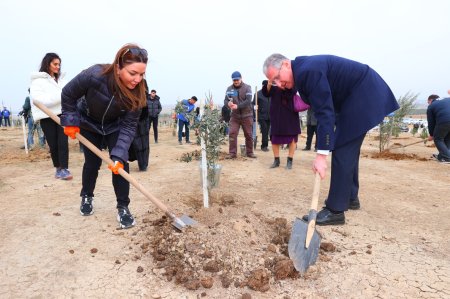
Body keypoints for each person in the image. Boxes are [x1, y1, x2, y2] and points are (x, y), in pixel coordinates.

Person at [263, 53, 399, 225]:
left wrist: (321, 155)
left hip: (364, 93)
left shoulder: (307, 72)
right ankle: (350, 197)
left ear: (285, 64)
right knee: (348, 147)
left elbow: (324, 113)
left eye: (277, 77)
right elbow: (326, 106)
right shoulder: (303, 71)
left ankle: (335, 210)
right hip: (359, 95)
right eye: (273, 82)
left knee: (342, 148)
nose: (278, 84)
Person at [60, 43, 148, 229]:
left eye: (141, 74)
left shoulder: (139, 91)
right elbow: (68, 94)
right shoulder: (95, 75)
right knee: (92, 163)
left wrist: (118, 154)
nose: (137, 79)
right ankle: (86, 196)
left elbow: (129, 125)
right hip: (89, 123)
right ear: (118, 67)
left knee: (120, 165)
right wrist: (70, 120)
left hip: (115, 126)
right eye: (132, 73)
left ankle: (123, 207)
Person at [30, 52, 72, 180]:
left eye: (59, 64)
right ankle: (58, 168)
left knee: (63, 142)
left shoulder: (62, 80)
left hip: (62, 114)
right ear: (47, 64)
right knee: (53, 144)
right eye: (55, 64)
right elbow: (39, 100)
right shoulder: (37, 81)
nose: (58, 67)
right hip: (46, 116)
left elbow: (70, 95)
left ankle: (65, 168)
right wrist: (62, 96)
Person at [263, 81, 300, 169]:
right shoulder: (274, 80)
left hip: (290, 112)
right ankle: (276, 160)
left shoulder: (292, 79)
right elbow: (266, 93)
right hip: (276, 113)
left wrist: (284, 85)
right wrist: (269, 82)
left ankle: (290, 160)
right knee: (275, 137)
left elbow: (293, 91)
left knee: (292, 136)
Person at [224, 71, 256, 158]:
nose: (236, 82)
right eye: (234, 80)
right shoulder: (229, 89)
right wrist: (228, 104)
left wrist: (238, 106)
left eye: (237, 80)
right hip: (235, 116)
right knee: (232, 133)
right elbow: (226, 100)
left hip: (247, 115)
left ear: (241, 78)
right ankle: (232, 153)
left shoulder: (247, 88)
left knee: (248, 134)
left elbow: (248, 101)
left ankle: (250, 152)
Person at [426, 94, 450, 163]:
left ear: (430, 100)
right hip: (446, 120)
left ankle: (447, 158)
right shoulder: (447, 99)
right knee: (447, 139)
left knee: (438, 139)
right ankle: (442, 156)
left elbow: (431, 122)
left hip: (445, 121)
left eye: (428, 102)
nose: (428, 104)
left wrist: (431, 135)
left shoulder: (431, 106)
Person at [253, 80, 271, 152]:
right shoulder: (258, 94)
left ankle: (265, 144)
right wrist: (255, 107)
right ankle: (264, 146)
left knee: (267, 130)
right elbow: (253, 104)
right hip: (261, 115)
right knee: (264, 130)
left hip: (270, 116)